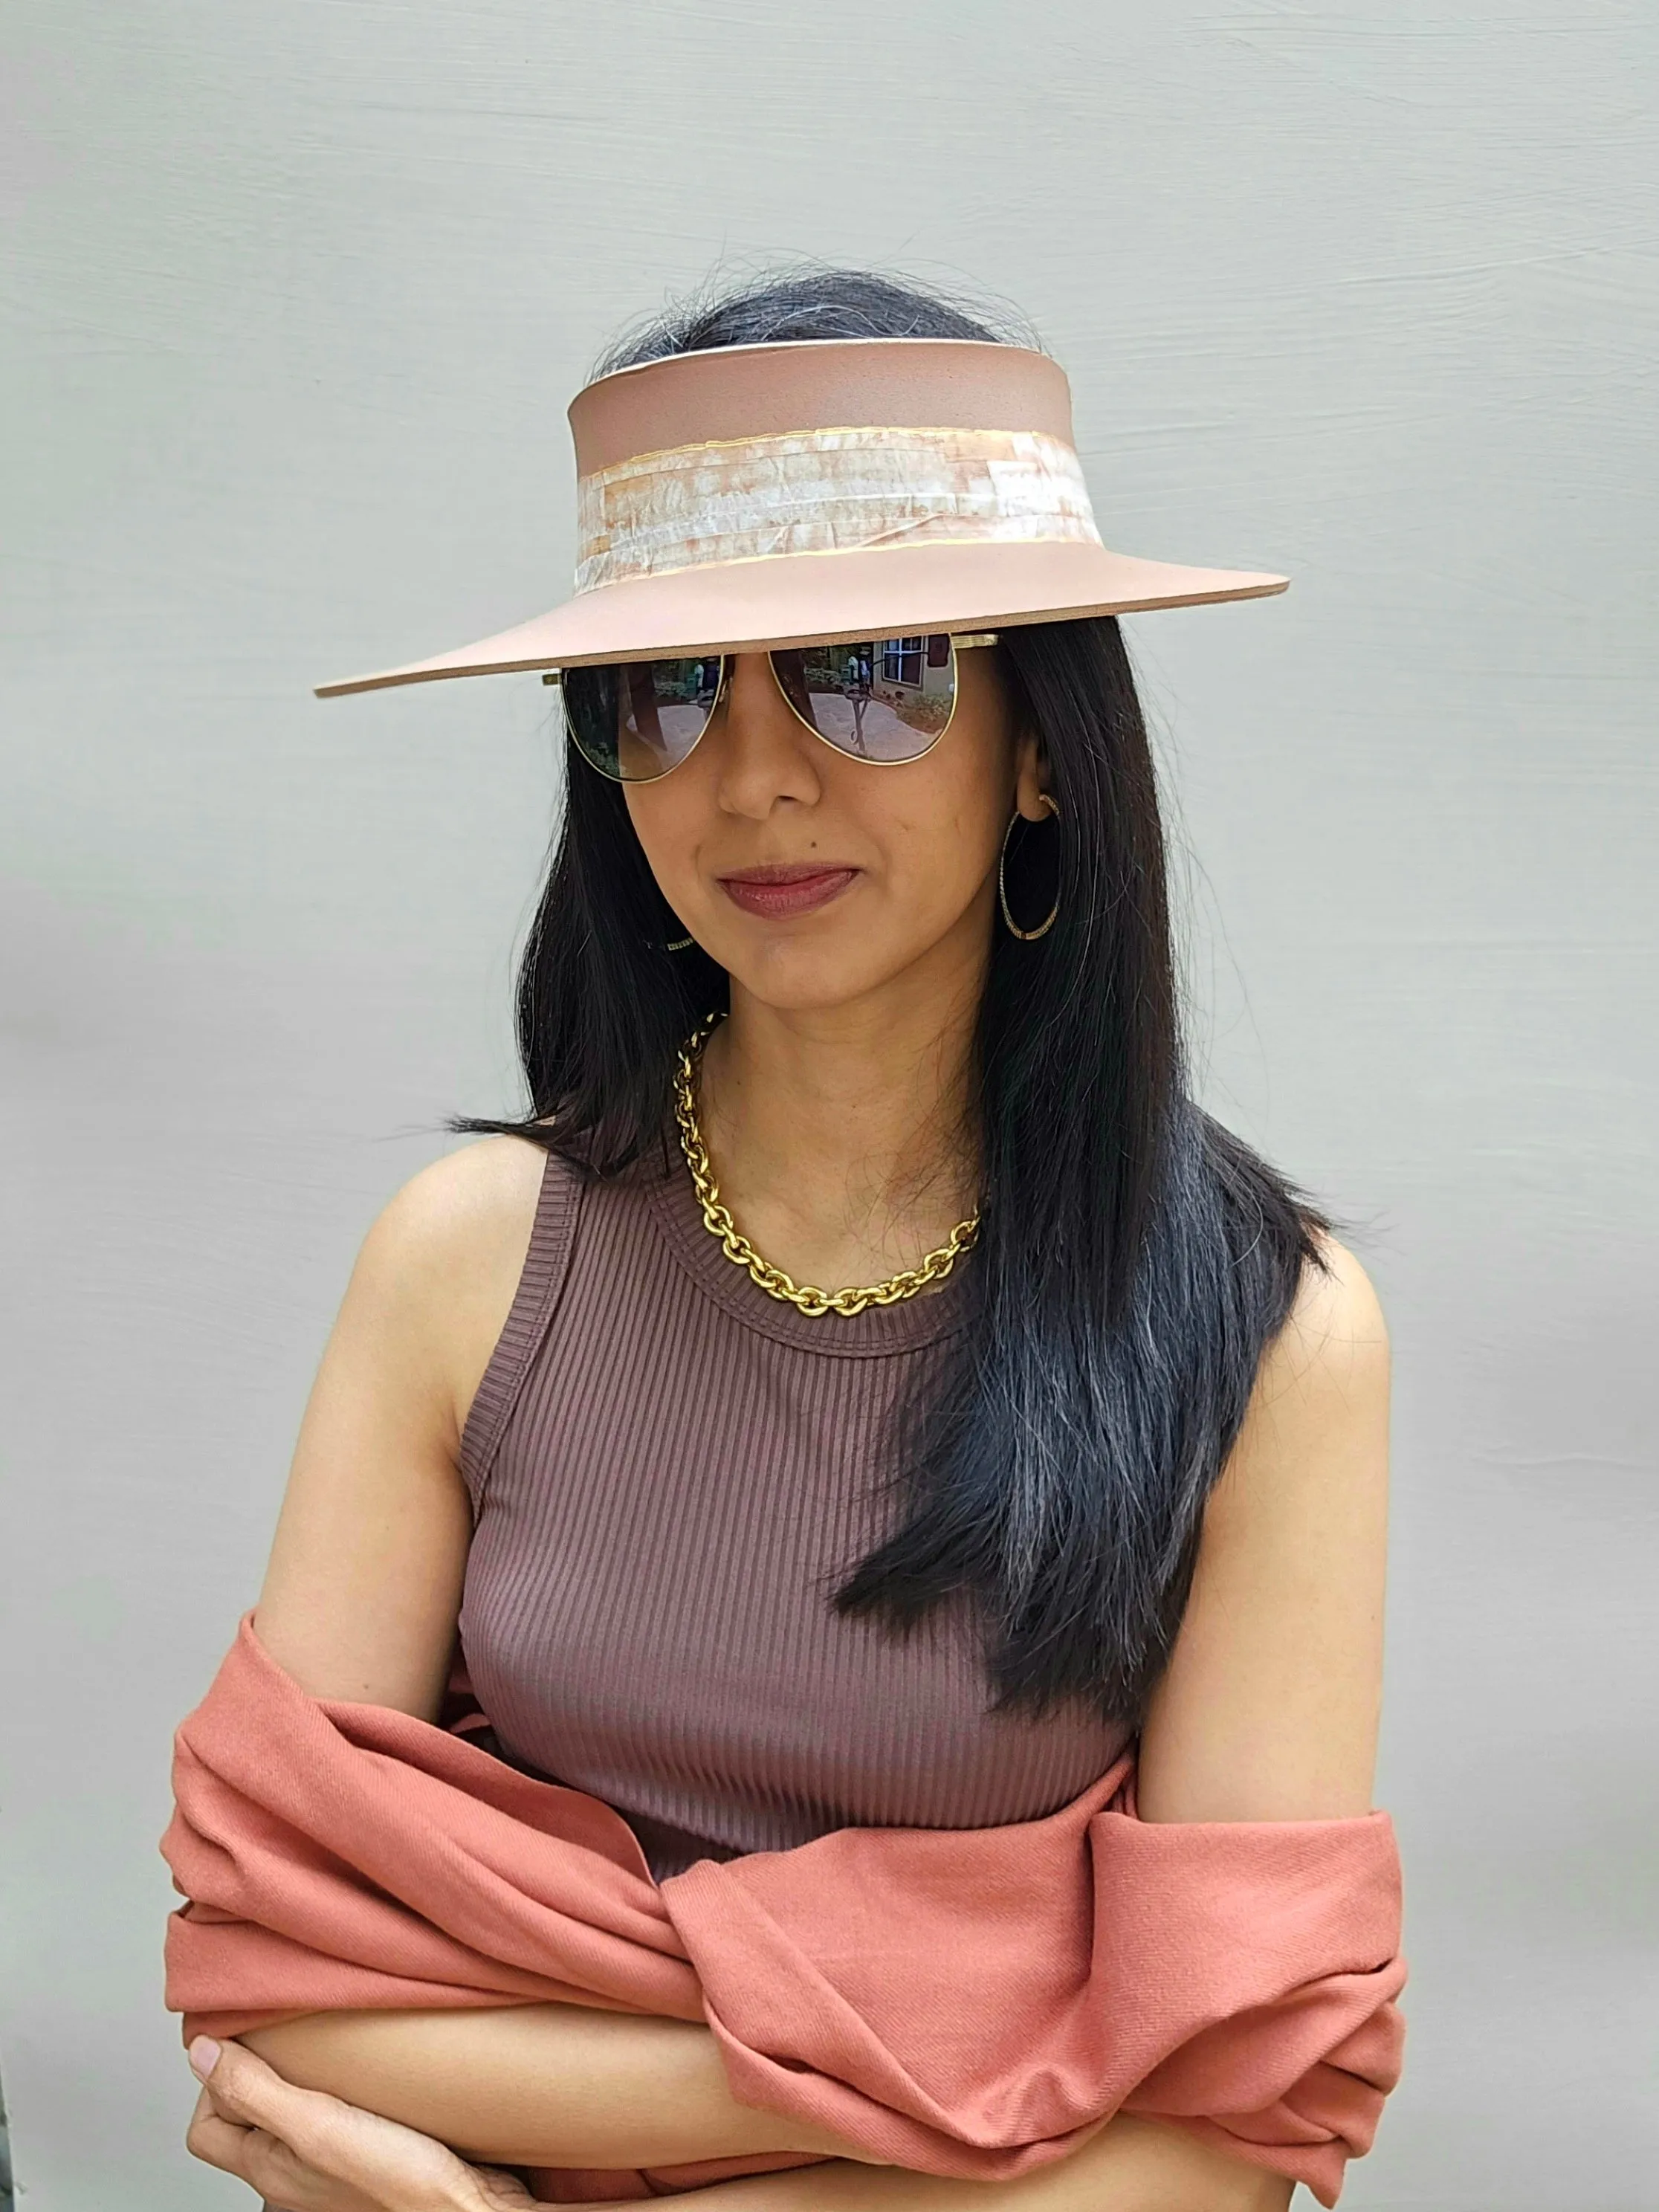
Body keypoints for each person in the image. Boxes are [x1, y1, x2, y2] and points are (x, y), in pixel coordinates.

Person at [176, 271, 1395, 2212]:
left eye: (876, 669)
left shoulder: (1267, 1336)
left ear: (1045, 744)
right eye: (664, 694)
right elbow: (265, 1972)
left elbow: (1234, 2124)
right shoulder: (467, 1267)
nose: (753, 776)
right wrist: (968, 2069)